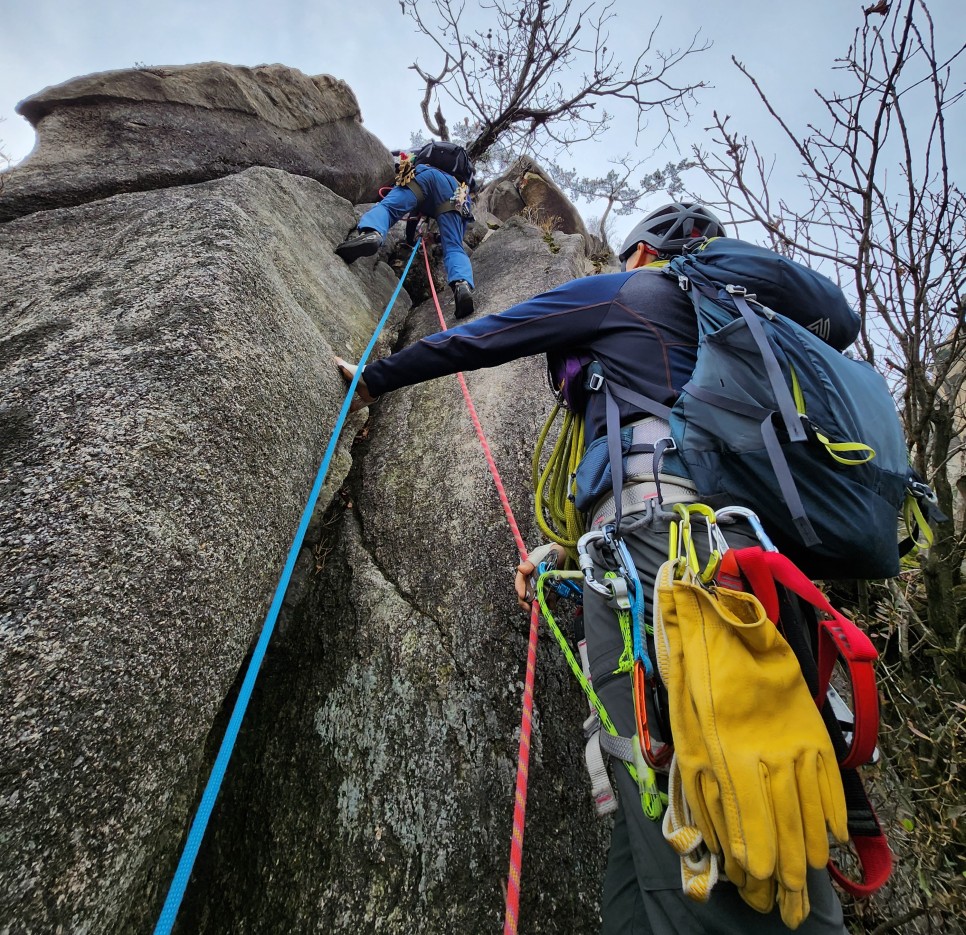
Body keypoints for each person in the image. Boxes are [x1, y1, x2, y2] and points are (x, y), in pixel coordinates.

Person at [337, 198, 851, 935]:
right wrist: (573, 553)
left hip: (663, 569)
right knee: (669, 839)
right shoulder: (749, 336)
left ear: (643, 251)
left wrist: (377, 377)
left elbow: (486, 335)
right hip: (753, 568)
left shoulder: (630, 291)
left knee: (711, 835)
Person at [335, 147, 476, 319]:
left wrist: (410, 239)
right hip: (455, 191)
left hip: (422, 175)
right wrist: (437, 238)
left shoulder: (426, 160)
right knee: (454, 247)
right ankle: (462, 284)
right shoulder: (462, 180)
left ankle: (373, 233)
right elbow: (454, 236)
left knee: (388, 208)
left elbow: (413, 219)